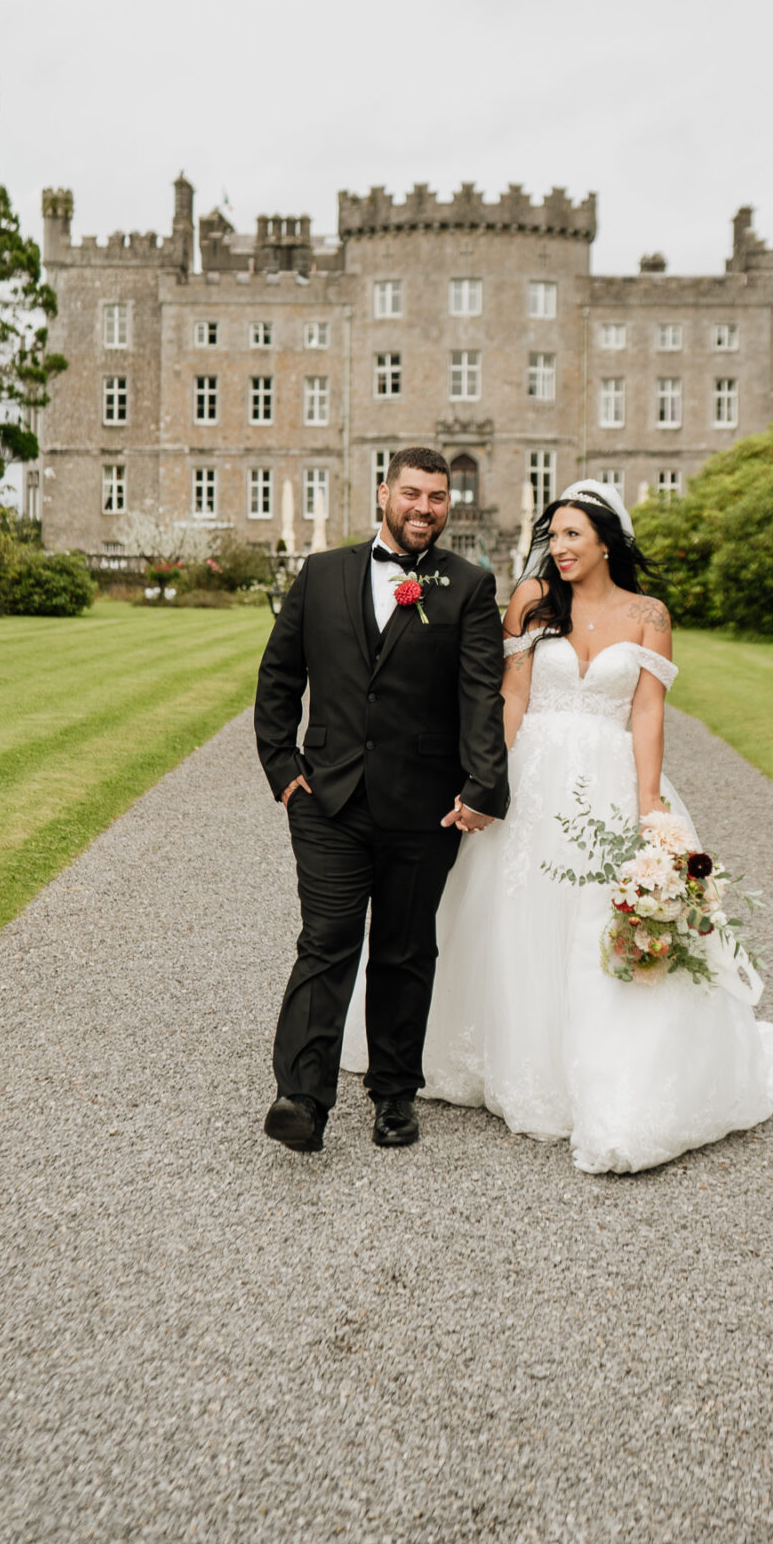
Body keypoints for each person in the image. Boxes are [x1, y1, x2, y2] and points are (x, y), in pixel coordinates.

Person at [415, 479, 773, 1174]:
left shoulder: (649, 613)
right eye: (552, 536)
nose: (556, 548)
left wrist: (649, 800)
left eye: (571, 536)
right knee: (511, 907)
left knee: (599, 913)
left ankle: (604, 1070)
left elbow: (646, 710)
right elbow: (514, 694)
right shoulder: (532, 601)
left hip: (608, 775)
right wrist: (486, 779)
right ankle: (505, 1058)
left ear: (605, 543)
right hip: (534, 773)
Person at [254, 447, 509, 1155]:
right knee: (326, 941)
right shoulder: (324, 573)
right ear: (383, 494)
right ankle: (301, 1097)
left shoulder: (468, 586)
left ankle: (393, 1095)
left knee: (403, 950)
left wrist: (483, 787)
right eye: (411, 494)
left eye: (436, 497)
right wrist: (283, 768)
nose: (423, 508)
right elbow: (278, 677)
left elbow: (480, 696)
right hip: (327, 798)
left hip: (424, 806)